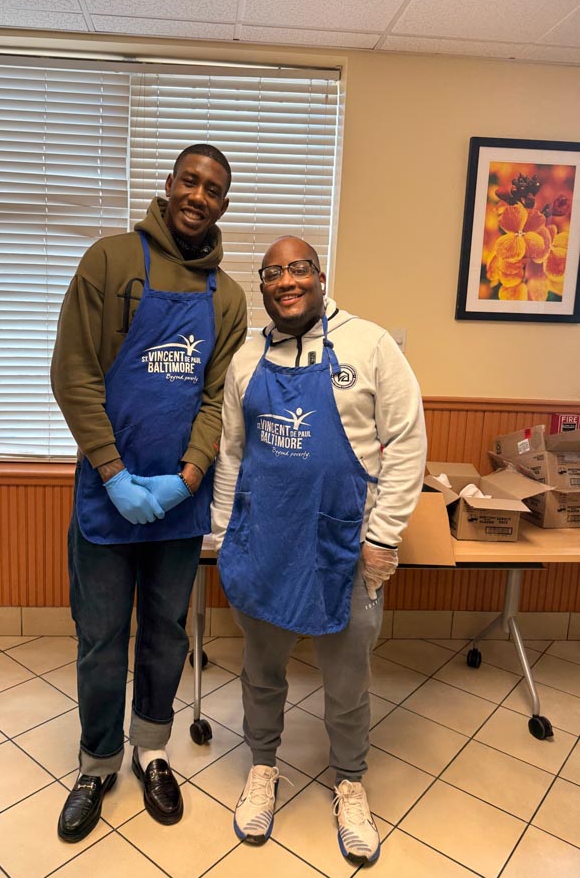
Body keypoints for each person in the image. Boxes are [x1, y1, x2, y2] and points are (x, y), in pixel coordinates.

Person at [51, 144, 247, 842]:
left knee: (165, 635)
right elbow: (73, 373)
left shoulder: (227, 296)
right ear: (168, 186)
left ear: (224, 204)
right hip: (109, 496)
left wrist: (187, 477)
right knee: (100, 636)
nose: (199, 195)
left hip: (179, 503)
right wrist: (112, 472)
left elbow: (217, 400)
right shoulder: (107, 260)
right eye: (189, 181)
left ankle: (152, 750)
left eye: (214, 189)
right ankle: (98, 760)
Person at [211, 236, 426, 866]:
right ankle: (261, 768)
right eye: (273, 273)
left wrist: (383, 536)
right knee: (261, 671)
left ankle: (350, 781)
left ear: (320, 275)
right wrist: (225, 536)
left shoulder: (370, 345)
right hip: (265, 544)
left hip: (343, 549)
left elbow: (407, 441)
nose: (286, 282)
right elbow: (230, 450)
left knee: (347, 680)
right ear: (263, 285)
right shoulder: (248, 355)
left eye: (298, 269)